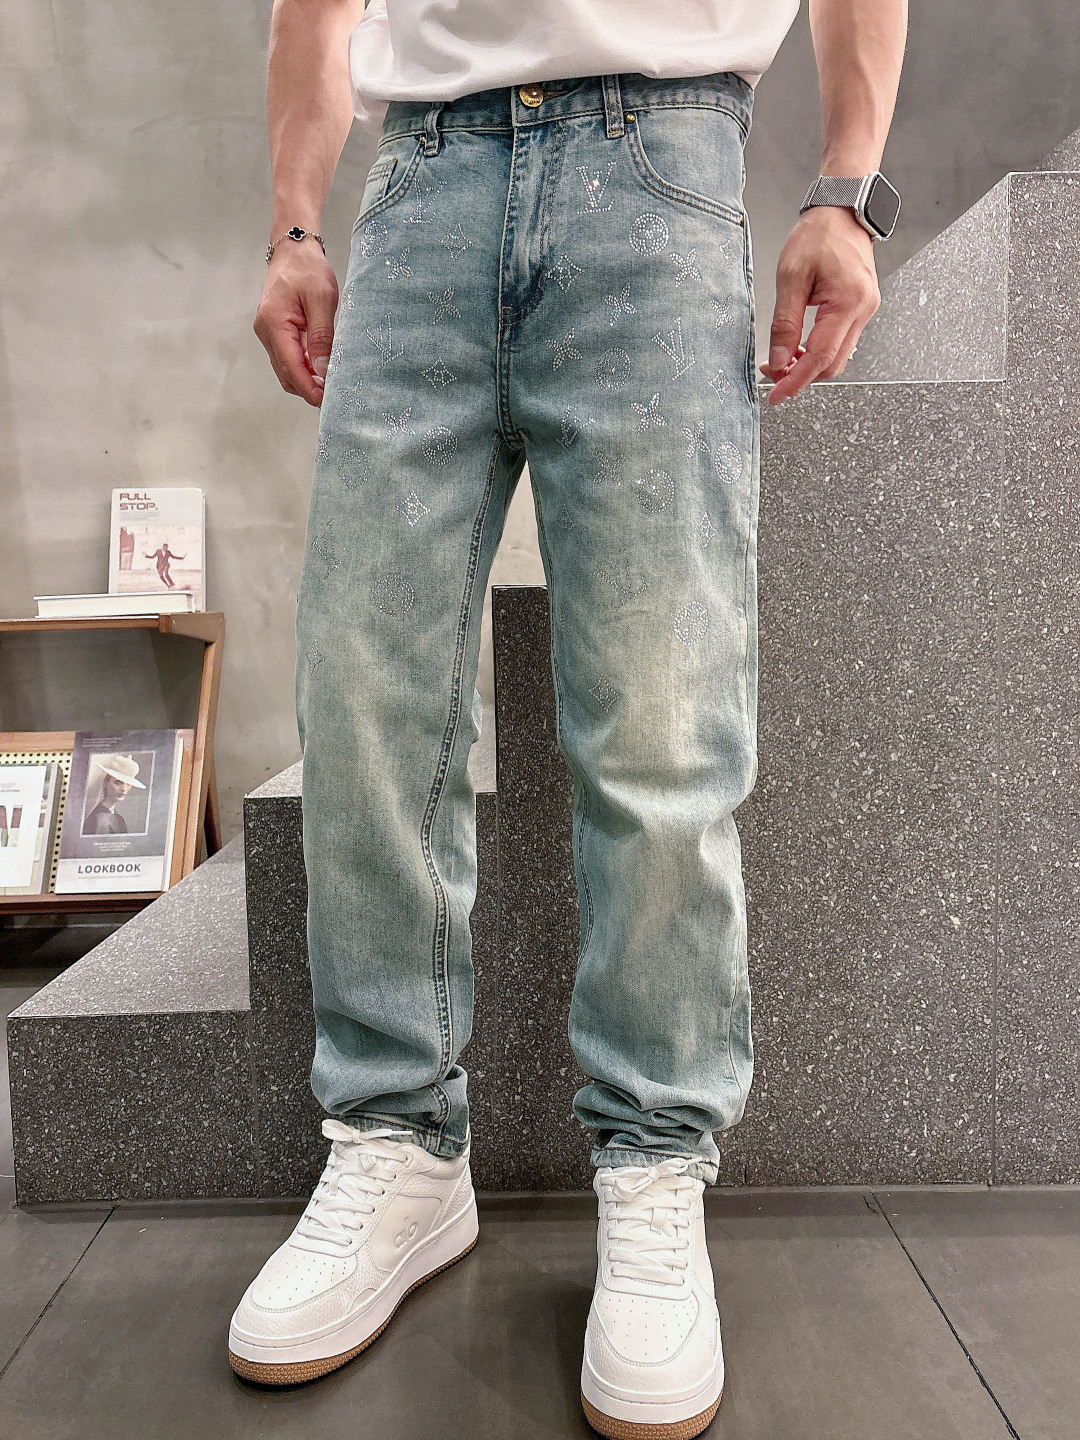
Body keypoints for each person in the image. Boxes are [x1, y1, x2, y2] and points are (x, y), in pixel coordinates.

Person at [234, 2, 906, 1433]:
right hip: (419, 187)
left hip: (659, 164)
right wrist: (295, 223)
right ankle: (397, 1144)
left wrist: (848, 185)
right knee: (363, 703)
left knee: (660, 720)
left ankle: (655, 1168)